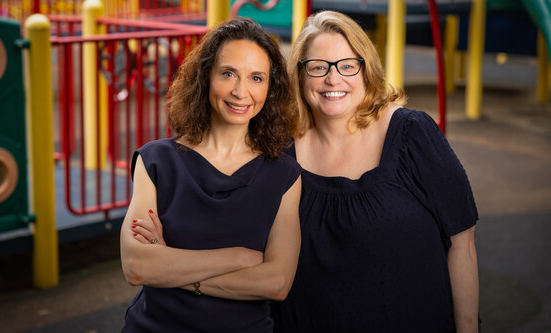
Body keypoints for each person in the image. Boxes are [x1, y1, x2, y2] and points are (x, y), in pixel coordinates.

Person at [271, 10, 480, 333]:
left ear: (367, 69)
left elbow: (462, 241)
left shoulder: (413, 133)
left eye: (347, 65)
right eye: (317, 67)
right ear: (299, 74)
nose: (333, 79)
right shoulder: (281, 149)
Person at [120, 17, 302, 333]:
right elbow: (137, 267)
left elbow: (277, 283)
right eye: (228, 73)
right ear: (206, 76)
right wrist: (240, 257)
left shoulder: (284, 174)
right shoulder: (155, 161)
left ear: (270, 87)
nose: (241, 91)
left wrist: (171, 268)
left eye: (256, 78)